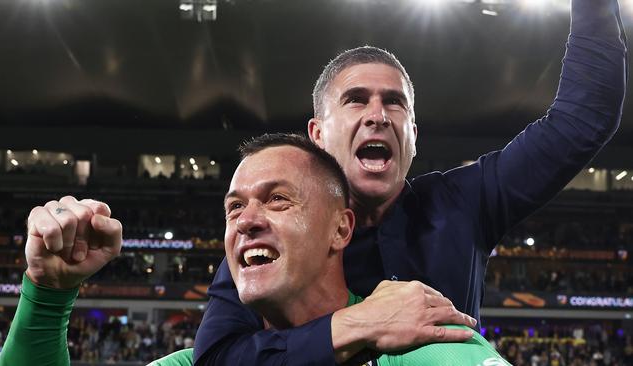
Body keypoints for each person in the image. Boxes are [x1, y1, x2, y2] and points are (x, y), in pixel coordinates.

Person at [194, 0, 627, 364]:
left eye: (395, 104)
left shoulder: (466, 201)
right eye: (356, 100)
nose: (378, 115)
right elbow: (217, 358)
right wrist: (359, 325)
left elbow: (582, 119)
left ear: (413, 138)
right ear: (318, 136)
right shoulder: (274, 234)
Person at [0, 133, 508, 366]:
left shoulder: (425, 345)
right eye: (234, 208)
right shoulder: (191, 363)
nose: (247, 222)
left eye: (278, 200)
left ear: (341, 229)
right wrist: (46, 298)